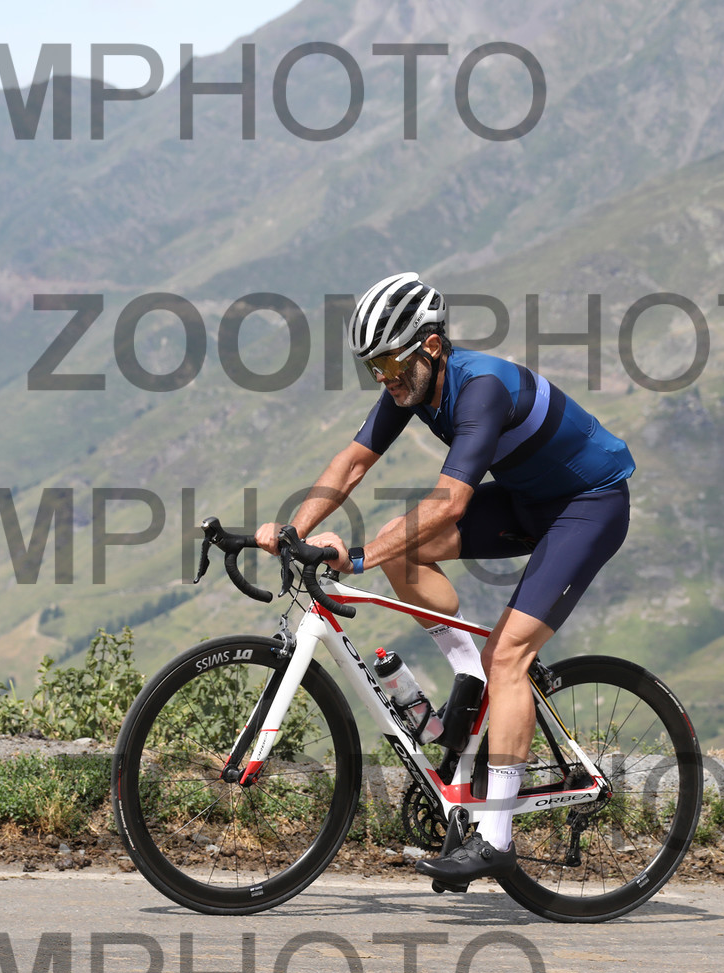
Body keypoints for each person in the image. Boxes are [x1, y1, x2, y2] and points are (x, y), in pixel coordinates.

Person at [256, 271, 635, 884]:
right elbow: (351, 464)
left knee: (508, 655)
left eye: (390, 362)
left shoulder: (481, 387)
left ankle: (496, 838)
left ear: (431, 346)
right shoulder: (412, 386)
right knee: (404, 548)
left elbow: (450, 503)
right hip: (526, 501)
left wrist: (356, 557)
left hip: (587, 507)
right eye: (373, 367)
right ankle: (472, 677)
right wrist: (292, 529)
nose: (384, 377)